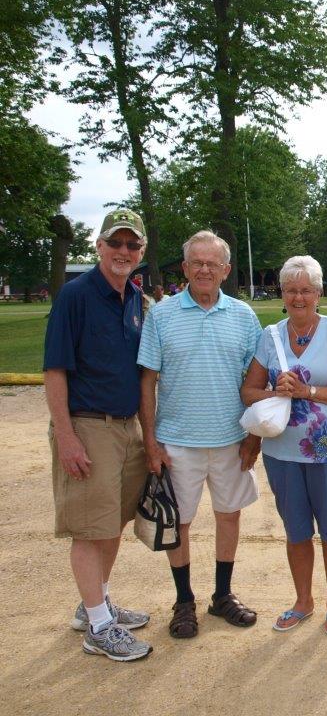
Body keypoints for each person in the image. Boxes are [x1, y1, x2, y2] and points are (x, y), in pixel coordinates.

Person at [138, 230, 263, 639]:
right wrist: (151, 441)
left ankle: (222, 595)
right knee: (179, 523)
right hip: (177, 441)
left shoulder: (243, 316)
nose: (205, 270)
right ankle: (184, 601)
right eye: (197, 263)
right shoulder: (161, 315)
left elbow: (256, 380)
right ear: (185, 268)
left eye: (213, 263)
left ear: (226, 270)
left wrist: (253, 436)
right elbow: (147, 381)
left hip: (231, 438)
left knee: (229, 515)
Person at [43, 208, 153, 662]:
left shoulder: (137, 299)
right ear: (100, 246)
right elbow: (54, 369)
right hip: (88, 425)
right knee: (90, 530)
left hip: (126, 427)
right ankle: (99, 627)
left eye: (132, 244)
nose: (123, 251)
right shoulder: (76, 295)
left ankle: (95, 604)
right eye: (116, 243)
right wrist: (66, 436)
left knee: (112, 522)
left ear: (141, 252)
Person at [241, 256, 327, 636]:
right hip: (282, 451)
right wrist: (275, 392)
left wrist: (307, 391)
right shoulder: (271, 335)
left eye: (306, 290)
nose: (298, 297)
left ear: (319, 293)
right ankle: (303, 601)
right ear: (282, 293)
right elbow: (248, 392)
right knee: (295, 530)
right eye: (291, 290)